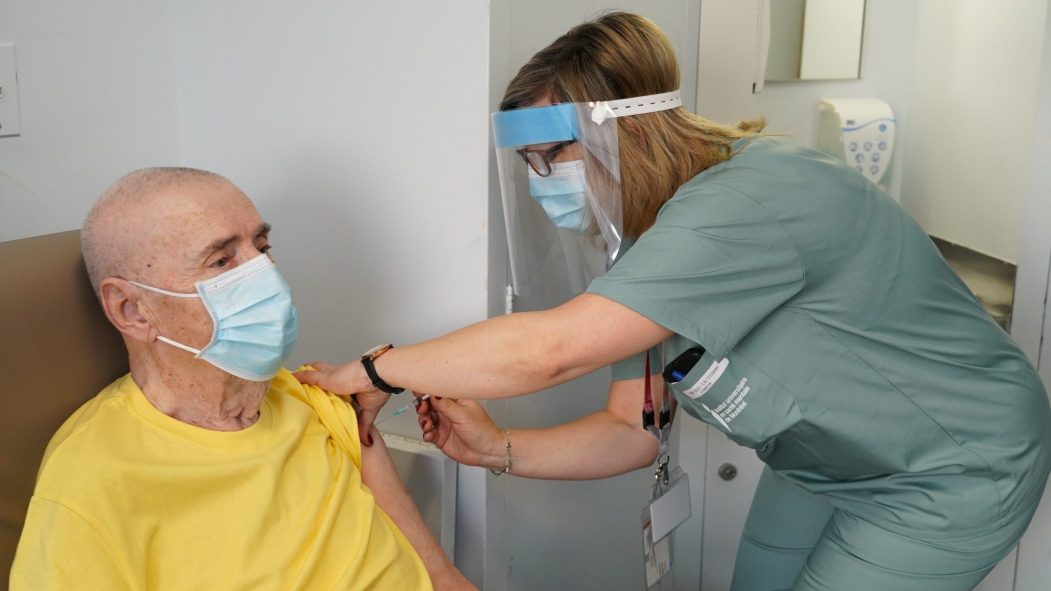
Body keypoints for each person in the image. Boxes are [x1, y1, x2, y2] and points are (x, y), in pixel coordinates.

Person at [294, 11, 1051, 591]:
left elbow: (548, 350)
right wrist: (496, 450)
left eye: (549, 156)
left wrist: (372, 370)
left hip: (950, 469)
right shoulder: (645, 245)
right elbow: (631, 432)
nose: (538, 180)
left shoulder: (750, 200)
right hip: (825, 462)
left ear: (626, 129)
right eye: (523, 162)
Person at [10, 168, 473, 590]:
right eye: (221, 262)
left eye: (262, 247)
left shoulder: (313, 394)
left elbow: (442, 579)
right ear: (132, 310)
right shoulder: (92, 482)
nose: (265, 273)